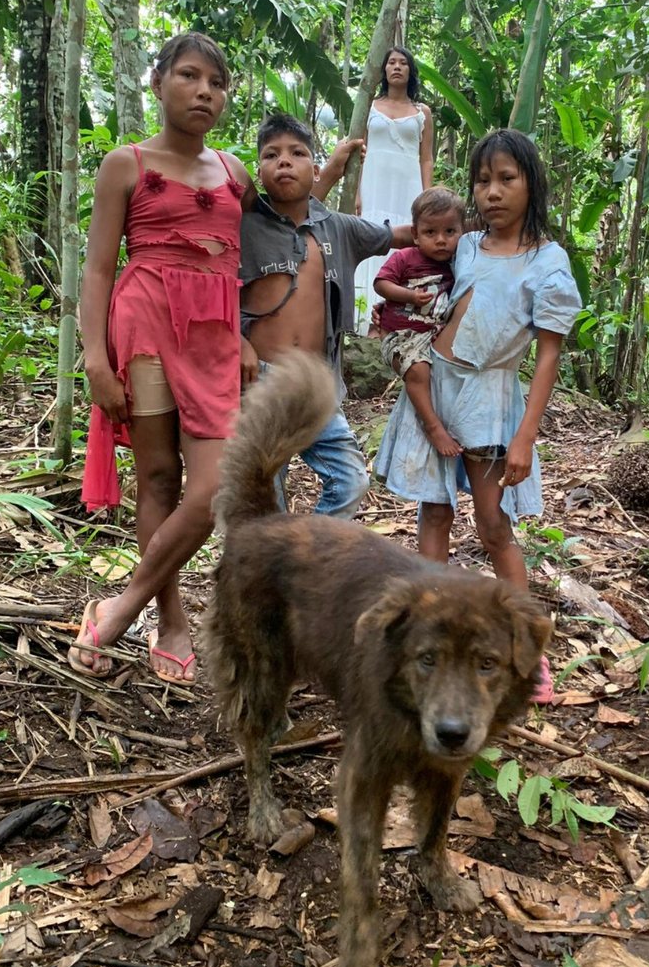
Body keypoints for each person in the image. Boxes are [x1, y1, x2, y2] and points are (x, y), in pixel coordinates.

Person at [71, 35, 357, 684]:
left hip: (214, 338)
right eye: (190, 76)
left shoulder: (234, 174)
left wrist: (332, 169)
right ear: (158, 83)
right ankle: (169, 620)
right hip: (144, 325)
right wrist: (95, 359)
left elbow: (289, 208)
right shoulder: (125, 164)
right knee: (158, 480)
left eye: (217, 82)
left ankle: (120, 607)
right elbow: (97, 269)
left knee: (213, 490)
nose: (204, 91)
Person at [375, 129, 582, 703]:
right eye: (483, 180)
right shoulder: (464, 244)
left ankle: (528, 650)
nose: (492, 192)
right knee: (434, 513)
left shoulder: (548, 263)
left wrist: (525, 436)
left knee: (493, 525)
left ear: (531, 183)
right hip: (436, 388)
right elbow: (414, 244)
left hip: (490, 401)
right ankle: (429, 636)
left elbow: (547, 356)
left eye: (506, 179)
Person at [239, 113, 414, 516]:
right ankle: (275, 555)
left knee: (351, 480)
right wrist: (236, 341)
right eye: (271, 155)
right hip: (261, 381)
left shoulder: (338, 227)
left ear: (315, 170)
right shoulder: (245, 226)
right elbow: (216, 290)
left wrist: (467, 230)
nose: (284, 161)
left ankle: (310, 547)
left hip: (316, 383)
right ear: (259, 172)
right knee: (265, 498)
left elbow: (401, 235)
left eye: (297, 153)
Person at [375, 186, 464, 457]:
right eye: (430, 232)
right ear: (415, 234)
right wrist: (409, 296)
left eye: (450, 231)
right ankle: (432, 425)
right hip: (402, 335)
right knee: (418, 371)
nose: (441, 240)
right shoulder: (405, 257)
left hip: (434, 337)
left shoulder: (459, 263)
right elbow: (381, 283)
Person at [352, 47, 433, 334]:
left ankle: (397, 319)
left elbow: (426, 158)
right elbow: (359, 151)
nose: (397, 67)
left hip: (408, 187)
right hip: (374, 184)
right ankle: (365, 321)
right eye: (391, 62)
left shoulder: (422, 113)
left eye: (403, 63)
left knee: (404, 240)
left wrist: (427, 196)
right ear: (383, 69)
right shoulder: (369, 107)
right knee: (372, 236)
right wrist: (357, 191)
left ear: (411, 70)